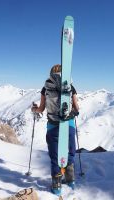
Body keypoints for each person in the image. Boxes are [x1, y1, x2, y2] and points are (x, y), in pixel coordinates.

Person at [31, 64, 79, 195]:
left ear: (51, 73)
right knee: (70, 152)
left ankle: (57, 186)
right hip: (68, 125)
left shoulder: (45, 88)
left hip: (53, 127)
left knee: (55, 156)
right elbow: (76, 108)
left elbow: (41, 109)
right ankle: (70, 180)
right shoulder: (70, 87)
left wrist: (34, 109)